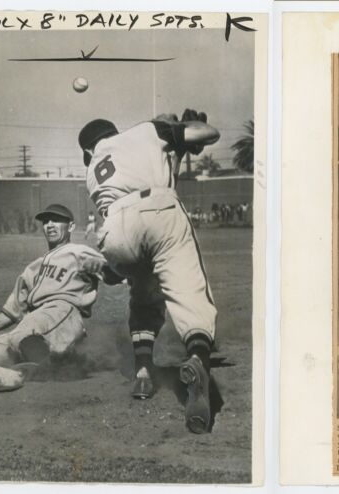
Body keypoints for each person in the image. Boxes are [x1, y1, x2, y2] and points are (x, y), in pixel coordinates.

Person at [78, 109, 220, 434]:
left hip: (115, 232)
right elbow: (206, 133)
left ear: (88, 151)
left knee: (143, 292)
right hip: (158, 210)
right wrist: (179, 130)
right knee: (189, 293)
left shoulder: (93, 171)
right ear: (114, 130)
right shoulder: (145, 130)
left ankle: (143, 371)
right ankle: (198, 357)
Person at [0, 204, 108, 371]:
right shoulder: (32, 268)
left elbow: (117, 269)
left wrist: (108, 269)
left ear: (71, 226)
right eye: (45, 221)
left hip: (63, 312)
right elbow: (9, 313)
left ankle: (49, 370)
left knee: (25, 330)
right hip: (35, 325)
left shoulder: (78, 252)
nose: (49, 224)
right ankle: (55, 359)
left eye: (56, 220)